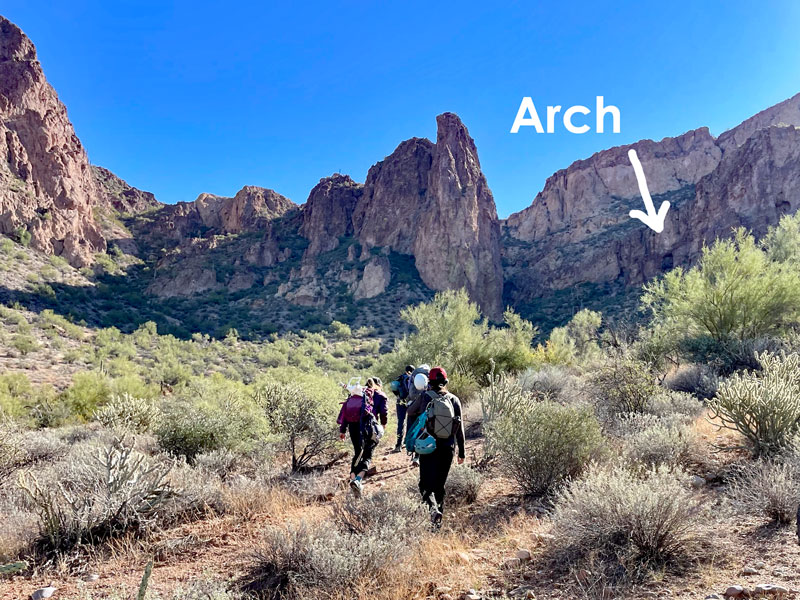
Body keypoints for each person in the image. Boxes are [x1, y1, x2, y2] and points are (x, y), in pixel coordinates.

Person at [414, 366, 465, 527]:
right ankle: (437, 525)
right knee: (439, 486)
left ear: (430, 382)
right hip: (448, 447)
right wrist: (461, 452)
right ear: (445, 381)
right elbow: (460, 428)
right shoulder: (454, 399)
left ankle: (433, 510)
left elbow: (410, 412)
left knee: (425, 485)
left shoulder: (425, 397)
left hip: (429, 446)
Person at [337, 378, 388, 496]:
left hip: (353, 428)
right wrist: (383, 424)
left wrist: (342, 430)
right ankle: (358, 481)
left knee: (357, 452)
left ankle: (353, 477)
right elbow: (383, 411)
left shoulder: (352, 398)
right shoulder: (378, 394)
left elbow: (344, 416)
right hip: (368, 428)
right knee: (367, 454)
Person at [405, 364, 430, 467]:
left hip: (412, 408)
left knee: (412, 430)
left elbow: (408, 391)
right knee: (422, 431)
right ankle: (417, 456)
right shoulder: (428, 377)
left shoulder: (412, 378)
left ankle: (411, 448)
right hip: (423, 409)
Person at [391, 365, 414, 453]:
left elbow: (394, 388)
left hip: (400, 401)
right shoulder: (412, 378)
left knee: (401, 422)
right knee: (410, 421)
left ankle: (398, 445)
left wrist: (398, 397)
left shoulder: (400, 378)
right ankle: (407, 442)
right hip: (410, 402)